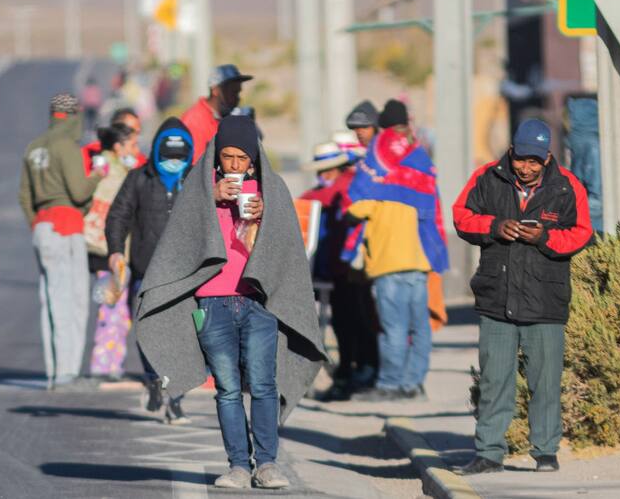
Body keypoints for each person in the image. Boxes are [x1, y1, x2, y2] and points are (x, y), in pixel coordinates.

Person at [136, 117, 326, 490]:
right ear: (217, 157)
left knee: (263, 384)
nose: (235, 165)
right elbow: (181, 242)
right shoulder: (200, 188)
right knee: (225, 387)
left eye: (243, 158)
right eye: (228, 157)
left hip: (258, 303)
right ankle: (238, 465)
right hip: (212, 303)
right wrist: (213, 200)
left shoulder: (272, 190)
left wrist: (263, 217)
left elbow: (286, 248)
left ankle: (268, 464)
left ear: (254, 158)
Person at [452, 119, 593, 476]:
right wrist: (495, 227)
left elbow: (582, 234)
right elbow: (461, 216)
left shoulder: (567, 186)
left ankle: (545, 452)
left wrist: (544, 237)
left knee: (545, 382)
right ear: (512, 150)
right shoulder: (486, 177)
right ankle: (488, 453)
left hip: (546, 302)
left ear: (547, 157)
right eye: (521, 160)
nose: (527, 168)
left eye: (535, 161)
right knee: (494, 380)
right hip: (496, 300)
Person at [347, 100, 449, 402]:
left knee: (393, 328)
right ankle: (413, 385)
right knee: (419, 327)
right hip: (419, 260)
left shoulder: (376, 165)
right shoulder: (420, 163)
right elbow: (434, 209)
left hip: (388, 261)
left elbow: (356, 206)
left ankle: (390, 386)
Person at [105, 117, 194, 424]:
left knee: (186, 339)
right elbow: (118, 216)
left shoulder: (197, 182)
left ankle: (177, 399)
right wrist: (115, 249)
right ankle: (153, 379)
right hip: (146, 271)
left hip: (186, 277)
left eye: (179, 157)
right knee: (146, 334)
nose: (173, 163)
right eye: (166, 157)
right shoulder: (138, 178)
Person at [19, 93, 103, 389]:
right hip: (67, 226)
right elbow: (79, 192)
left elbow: (25, 196)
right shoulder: (66, 146)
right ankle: (68, 370)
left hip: (42, 227)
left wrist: (37, 224)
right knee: (73, 299)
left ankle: (54, 369)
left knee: (50, 300)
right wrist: (97, 176)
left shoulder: (33, 148)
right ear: (72, 117)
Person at [300, 141, 377, 401]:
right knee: (346, 323)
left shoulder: (345, 186)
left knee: (352, 323)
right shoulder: (335, 187)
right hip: (336, 269)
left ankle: (351, 375)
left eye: (327, 169)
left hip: (349, 269)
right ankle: (348, 374)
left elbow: (318, 199)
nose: (322, 175)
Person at [83, 123, 141, 381]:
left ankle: (110, 360)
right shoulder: (110, 171)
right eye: (131, 145)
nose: (136, 150)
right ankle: (105, 362)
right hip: (109, 251)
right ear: (118, 147)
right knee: (112, 308)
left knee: (115, 307)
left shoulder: (112, 167)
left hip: (107, 250)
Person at [181, 64, 253, 164]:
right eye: (233, 92)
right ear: (215, 90)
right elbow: (195, 168)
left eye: (238, 92)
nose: (238, 98)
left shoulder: (227, 116)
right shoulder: (195, 120)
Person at [82, 108, 147, 175]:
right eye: (129, 130)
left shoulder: (140, 161)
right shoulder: (90, 154)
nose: (135, 136)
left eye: (137, 133)